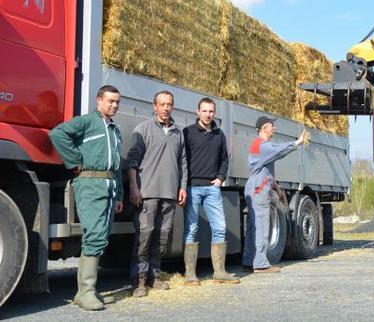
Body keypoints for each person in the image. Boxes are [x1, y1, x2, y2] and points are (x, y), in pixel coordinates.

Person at [49, 85, 124, 311]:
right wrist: (74, 161)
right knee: (94, 234)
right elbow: (57, 134)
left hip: (110, 185)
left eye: (117, 102)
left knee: (101, 235)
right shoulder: (87, 121)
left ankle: (90, 289)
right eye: (110, 101)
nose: (114, 105)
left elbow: (118, 165)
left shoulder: (115, 129)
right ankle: (85, 292)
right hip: (90, 183)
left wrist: (119, 193)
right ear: (98, 100)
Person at [127, 91, 187, 297]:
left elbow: (183, 163)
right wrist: (134, 188)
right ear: (154, 106)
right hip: (148, 194)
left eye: (169, 104)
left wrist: (182, 186)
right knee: (145, 236)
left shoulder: (179, 132)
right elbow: (132, 162)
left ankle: (155, 276)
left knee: (162, 238)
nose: (165, 108)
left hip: (170, 193)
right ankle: (139, 281)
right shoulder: (143, 129)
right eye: (162, 104)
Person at [182, 97, 239, 285]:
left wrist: (220, 179)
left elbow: (225, 159)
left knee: (220, 227)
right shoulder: (188, 133)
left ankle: (219, 272)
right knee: (191, 229)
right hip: (192, 188)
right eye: (204, 111)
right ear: (197, 112)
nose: (208, 114)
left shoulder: (219, 134)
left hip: (212, 189)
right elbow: (181, 160)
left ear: (214, 113)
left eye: (211, 111)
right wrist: (183, 185)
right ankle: (190, 275)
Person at [242, 116, 306, 273]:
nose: (274, 129)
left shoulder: (259, 145)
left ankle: (250, 260)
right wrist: (297, 143)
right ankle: (261, 264)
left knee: (254, 227)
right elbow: (278, 151)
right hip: (258, 189)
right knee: (262, 226)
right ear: (264, 128)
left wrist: (276, 188)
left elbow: (264, 170)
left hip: (257, 186)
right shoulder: (261, 145)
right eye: (272, 126)